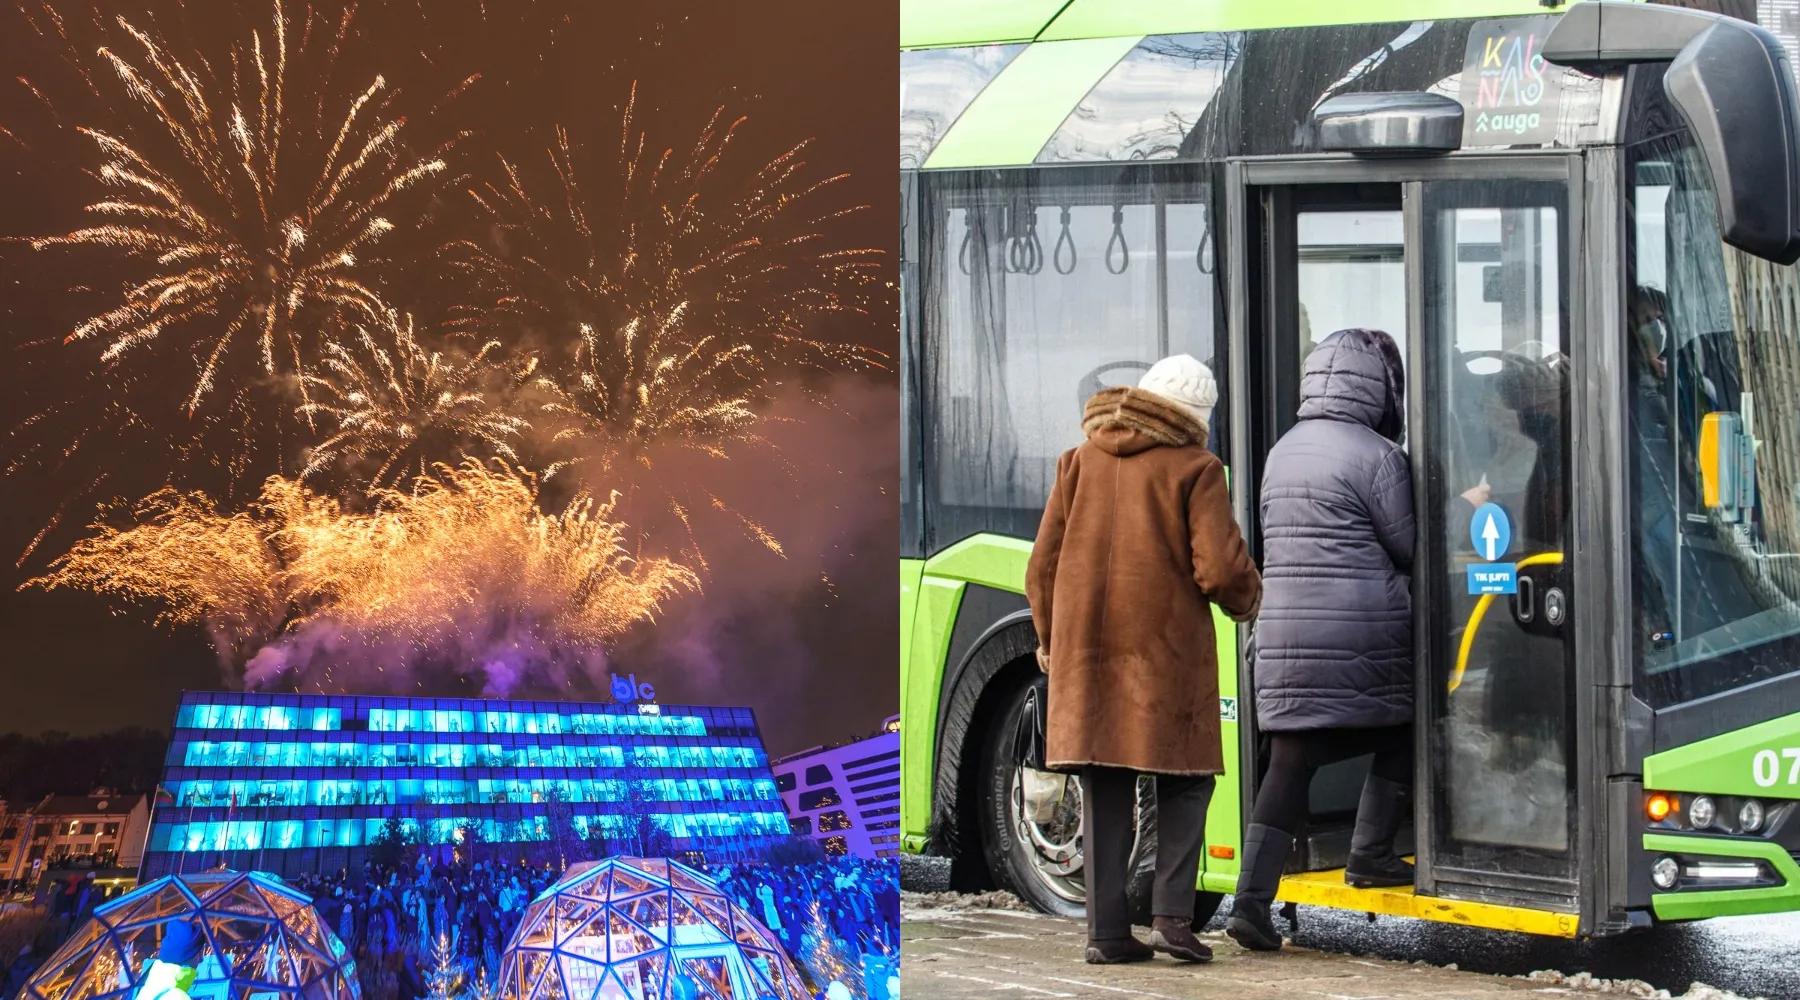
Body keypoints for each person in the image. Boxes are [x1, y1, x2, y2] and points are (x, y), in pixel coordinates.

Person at [1027, 355, 1262, 965]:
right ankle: (1172, 919)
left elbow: (1042, 566)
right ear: (1196, 416)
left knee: (1104, 781)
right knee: (1187, 778)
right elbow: (1220, 568)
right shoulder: (1196, 468)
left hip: (1085, 656)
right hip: (1165, 654)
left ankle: (1106, 934)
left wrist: (1050, 639)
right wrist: (1248, 601)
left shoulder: (1077, 461)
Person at [1226, 328, 1416, 953]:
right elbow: (1408, 546)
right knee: (1407, 731)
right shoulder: (1379, 457)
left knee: (1290, 759)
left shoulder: (1282, 451)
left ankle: (1250, 903)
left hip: (1284, 632)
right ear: (1378, 388)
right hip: (1356, 629)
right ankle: (1370, 853)